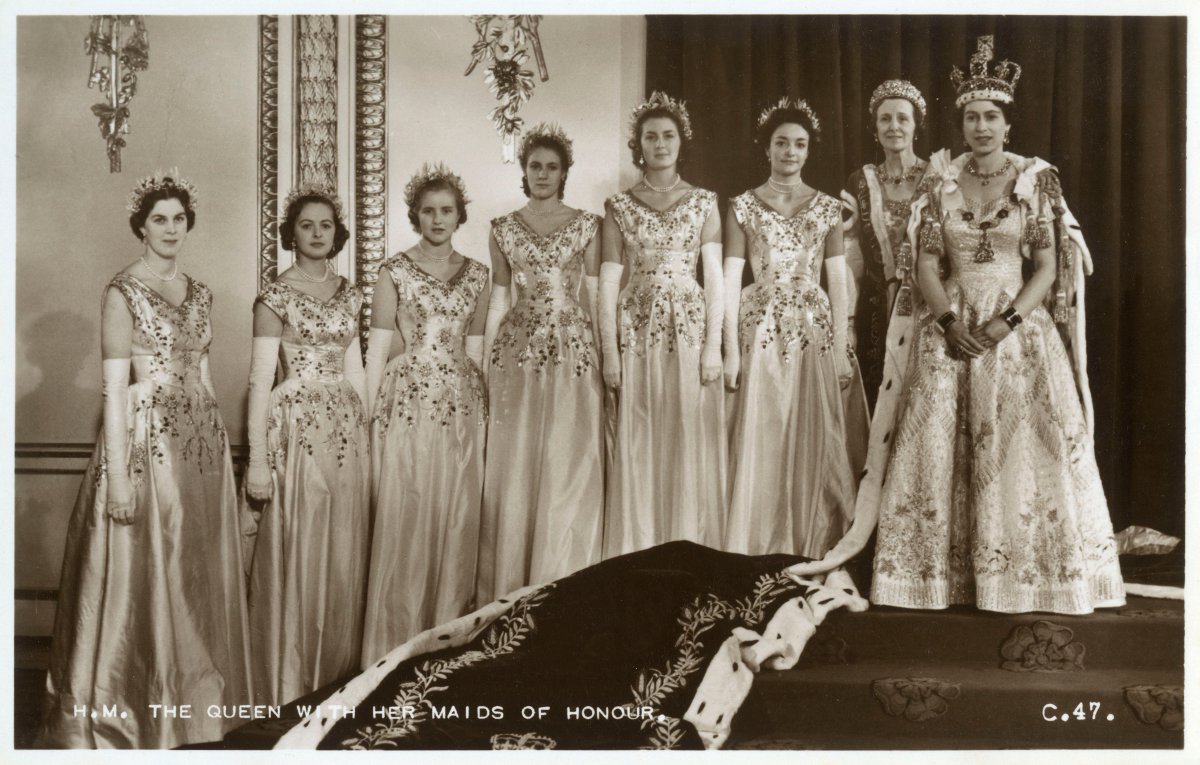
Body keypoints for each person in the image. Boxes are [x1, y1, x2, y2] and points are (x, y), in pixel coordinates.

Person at [791, 36, 1125, 615]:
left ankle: (1026, 576)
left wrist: (1008, 321)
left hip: (1017, 329)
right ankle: (936, 578)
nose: (980, 126)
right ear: (960, 124)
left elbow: (1045, 266)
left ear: (1006, 123)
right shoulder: (939, 183)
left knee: (1021, 449)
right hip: (949, 322)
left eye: (991, 116)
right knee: (938, 447)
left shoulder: (1033, 181)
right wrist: (946, 319)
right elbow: (923, 261)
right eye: (971, 117)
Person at [39, 170, 251, 748]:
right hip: (143, 441)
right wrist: (119, 482)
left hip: (199, 448)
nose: (171, 228)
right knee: (150, 575)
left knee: (194, 573)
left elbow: (204, 377)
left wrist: (221, 457)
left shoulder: (202, 292)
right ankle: (138, 708)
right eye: (159, 218)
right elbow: (114, 389)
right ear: (140, 226)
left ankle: (198, 710)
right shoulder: (121, 291)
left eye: (179, 218)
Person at [242, 186, 370, 705]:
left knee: (342, 545)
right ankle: (290, 676)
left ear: (336, 234)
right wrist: (255, 462)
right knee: (301, 539)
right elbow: (257, 380)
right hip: (293, 428)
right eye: (306, 225)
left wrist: (367, 433)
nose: (316, 233)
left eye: (324, 225)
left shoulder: (351, 292)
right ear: (290, 234)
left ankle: (337, 673)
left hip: (344, 426)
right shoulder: (274, 296)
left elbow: (356, 367)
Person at [360, 164, 490, 665]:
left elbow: (476, 352)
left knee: (457, 518)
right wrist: (369, 417)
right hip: (408, 401)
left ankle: (446, 647)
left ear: (459, 216)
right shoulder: (392, 271)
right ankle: (395, 647)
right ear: (415, 215)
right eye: (429, 210)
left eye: (447, 210)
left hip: (462, 404)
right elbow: (376, 355)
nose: (438, 219)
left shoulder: (477, 273)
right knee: (409, 513)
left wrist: (481, 414)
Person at [722, 98, 859, 558]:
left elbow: (838, 279)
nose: (790, 152)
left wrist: (841, 345)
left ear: (808, 151)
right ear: (768, 148)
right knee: (762, 426)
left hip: (812, 328)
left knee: (811, 431)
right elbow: (729, 274)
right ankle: (757, 541)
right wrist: (727, 348)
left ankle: (810, 540)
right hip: (757, 325)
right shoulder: (742, 205)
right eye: (782, 143)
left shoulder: (826, 207)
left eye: (799, 144)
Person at [476, 123, 605, 604]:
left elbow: (593, 296)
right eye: (535, 166)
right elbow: (498, 300)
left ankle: (565, 575)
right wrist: (488, 364)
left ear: (565, 172)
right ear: (524, 172)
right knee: (521, 458)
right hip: (517, 352)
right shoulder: (503, 228)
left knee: (567, 454)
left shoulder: (588, 224)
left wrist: (604, 356)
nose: (543, 174)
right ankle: (514, 580)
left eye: (553, 167)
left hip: (573, 346)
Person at [599, 91, 727, 556]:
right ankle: (640, 546)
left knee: (686, 431)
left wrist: (714, 348)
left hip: (690, 327)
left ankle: (688, 543)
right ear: (639, 145)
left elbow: (714, 279)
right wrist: (609, 354)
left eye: (668, 135)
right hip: (635, 329)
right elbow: (608, 284)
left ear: (681, 141)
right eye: (650, 136)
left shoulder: (704, 202)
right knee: (641, 429)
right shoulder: (618, 206)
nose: (659, 144)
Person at [841, 79, 935, 413]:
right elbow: (851, 256)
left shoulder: (940, 177)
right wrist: (847, 320)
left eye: (902, 118)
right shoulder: (860, 181)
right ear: (875, 127)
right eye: (885, 119)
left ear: (916, 125)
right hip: (876, 307)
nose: (893, 126)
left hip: (930, 304)